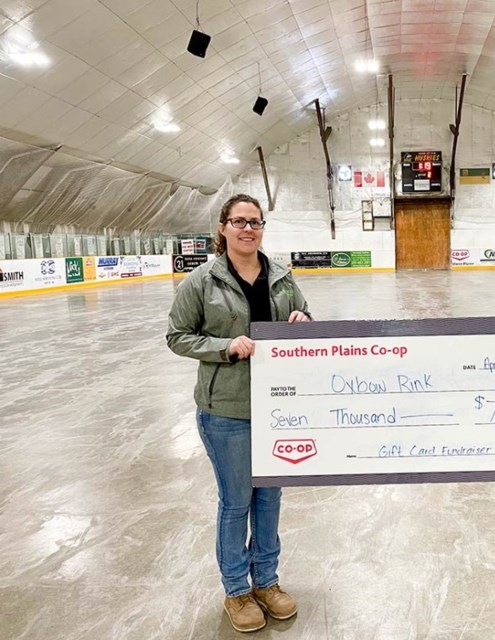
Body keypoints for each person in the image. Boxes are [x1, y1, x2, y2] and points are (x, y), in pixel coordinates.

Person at [166, 193, 312, 633]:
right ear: (223, 228)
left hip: (277, 408)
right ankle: (237, 590)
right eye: (239, 221)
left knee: (269, 498)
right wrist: (224, 347)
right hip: (227, 412)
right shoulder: (201, 281)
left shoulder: (282, 278)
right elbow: (177, 336)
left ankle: (266, 582)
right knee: (237, 503)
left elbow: (305, 319)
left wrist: (304, 319)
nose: (248, 229)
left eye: (255, 222)